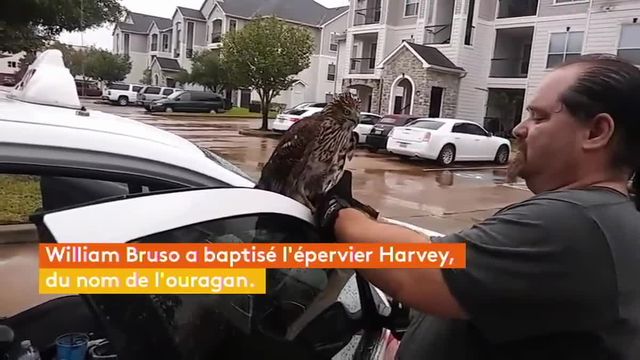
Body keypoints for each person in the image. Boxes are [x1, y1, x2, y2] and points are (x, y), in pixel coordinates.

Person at [315, 53, 640, 359]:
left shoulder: (576, 222)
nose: (518, 129)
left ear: (596, 132)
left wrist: (336, 212)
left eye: (539, 117)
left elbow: (415, 270)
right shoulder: (605, 217)